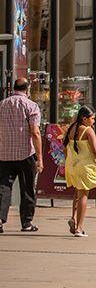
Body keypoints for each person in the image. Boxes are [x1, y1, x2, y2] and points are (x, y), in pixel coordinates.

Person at [0, 78, 43, 233]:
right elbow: (35, 132)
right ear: (28, 88)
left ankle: (0, 219)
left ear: (13, 88)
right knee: (28, 189)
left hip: (5, 154)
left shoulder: (2, 105)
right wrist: (40, 157)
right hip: (26, 154)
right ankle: (26, 223)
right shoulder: (31, 106)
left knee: (3, 187)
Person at [63, 106, 96, 237]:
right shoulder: (88, 131)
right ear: (85, 119)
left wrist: (68, 160)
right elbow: (95, 151)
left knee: (76, 193)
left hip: (72, 165)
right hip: (85, 166)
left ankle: (73, 218)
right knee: (83, 195)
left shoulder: (71, 127)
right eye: (92, 118)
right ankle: (79, 228)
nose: (94, 121)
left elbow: (64, 146)